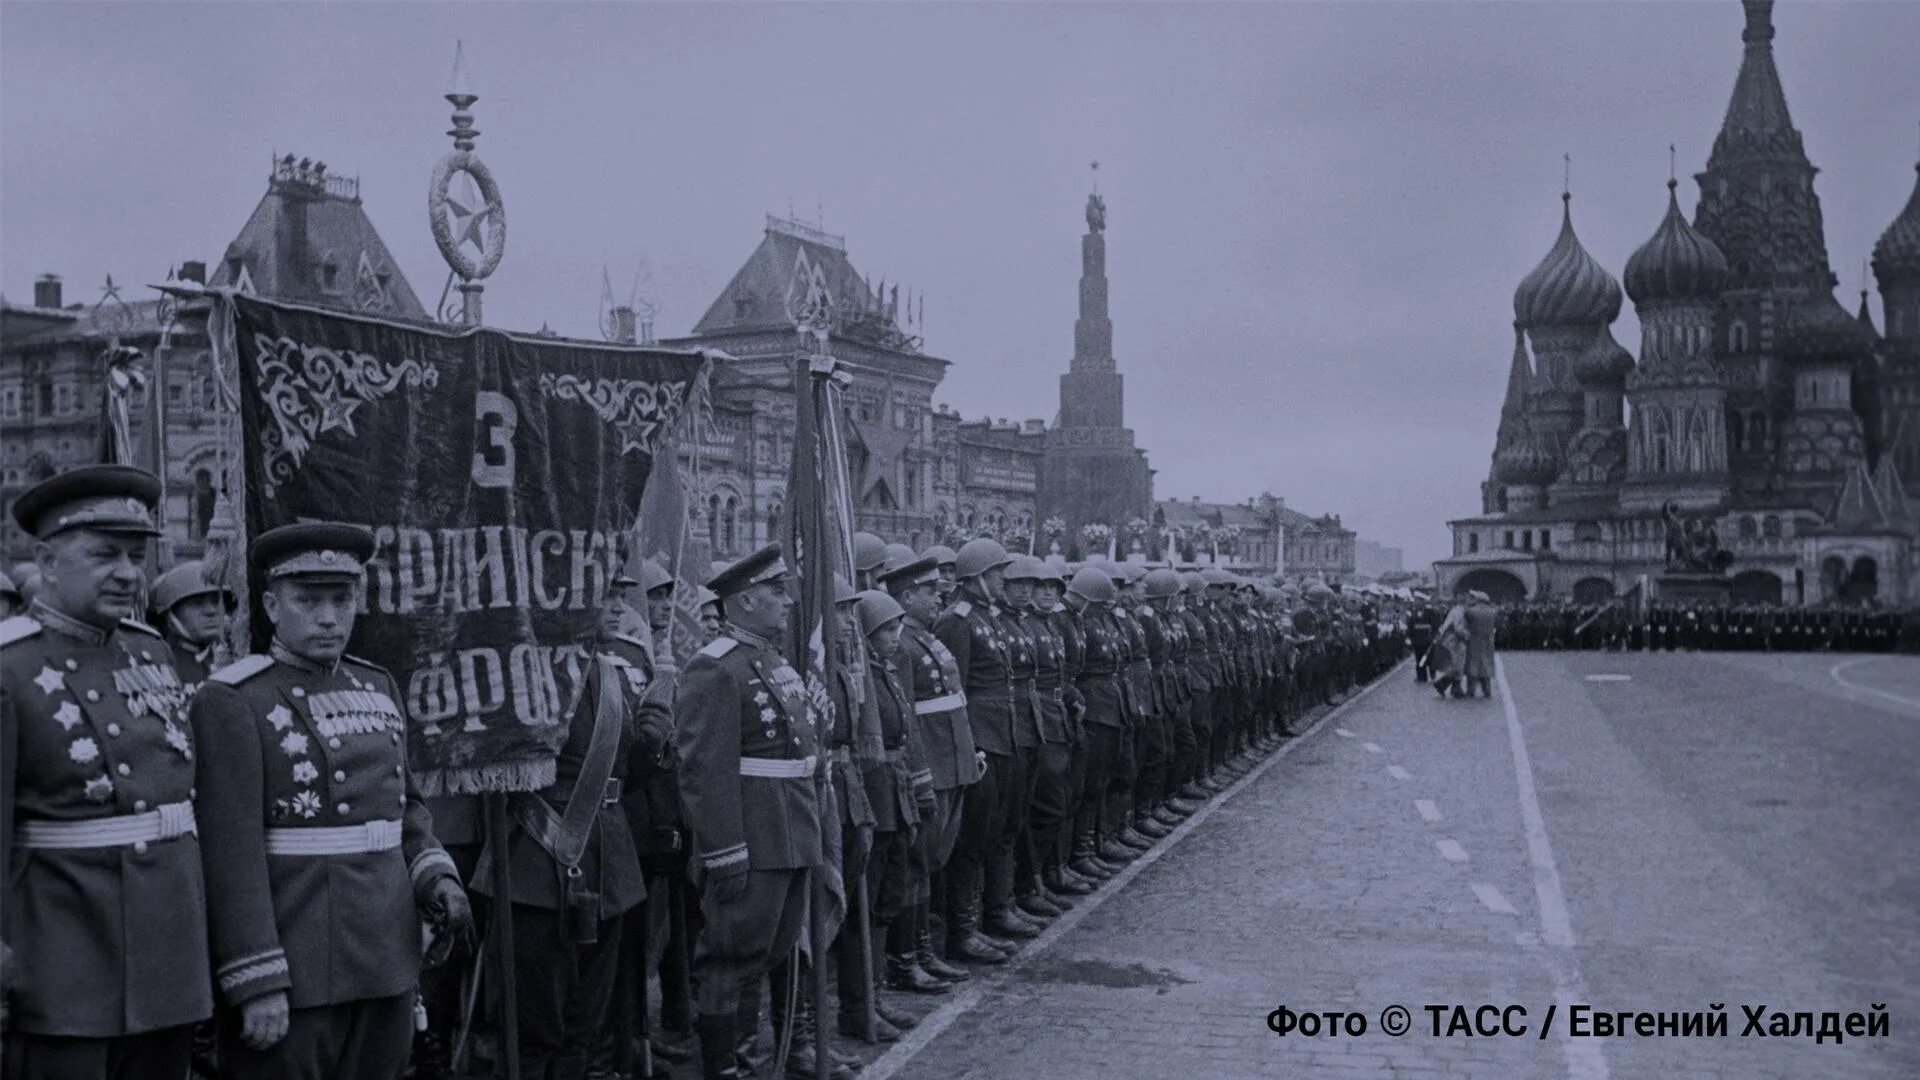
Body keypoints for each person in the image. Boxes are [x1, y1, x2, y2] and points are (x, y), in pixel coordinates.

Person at [191, 521, 472, 1080]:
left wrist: (438, 878)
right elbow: (230, 857)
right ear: (272, 604)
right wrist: (256, 979)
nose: (327, 617)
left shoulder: (378, 686)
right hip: (294, 964)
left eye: (341, 600)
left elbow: (406, 811)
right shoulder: (234, 699)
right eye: (308, 600)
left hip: (385, 957)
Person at [2, 465, 212, 1080]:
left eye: (134, 554)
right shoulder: (12, 667)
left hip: (168, 956)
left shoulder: (151, 651)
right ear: (46, 560)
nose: (127, 573)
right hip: (61, 966)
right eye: (104, 555)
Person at [673, 544, 831, 1080]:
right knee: (728, 960)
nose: (787, 601)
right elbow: (702, 772)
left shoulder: (771, 660)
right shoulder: (714, 667)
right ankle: (723, 1069)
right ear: (744, 601)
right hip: (751, 837)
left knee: (774, 953)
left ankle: (755, 1058)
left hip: (791, 829)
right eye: (776, 591)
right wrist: (725, 851)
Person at [883, 555, 985, 973]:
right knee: (916, 862)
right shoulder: (904, 644)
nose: (938, 595)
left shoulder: (925, 637)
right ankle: (908, 955)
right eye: (928, 591)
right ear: (906, 596)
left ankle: (924, 950)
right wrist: (921, 771)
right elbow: (906, 717)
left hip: (952, 758)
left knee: (931, 860)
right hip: (931, 762)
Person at [148, 559, 234, 697]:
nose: (211, 611)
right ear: (170, 614)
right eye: (197, 603)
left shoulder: (235, 661)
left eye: (216, 600)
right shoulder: (159, 666)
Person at [1462, 590, 1498, 698]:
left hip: (1474, 641)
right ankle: (1487, 691)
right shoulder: (1492, 611)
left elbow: (1465, 612)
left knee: (1472, 666)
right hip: (1488, 642)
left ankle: (1471, 691)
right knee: (1486, 666)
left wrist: (1468, 603)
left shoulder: (1471, 611)